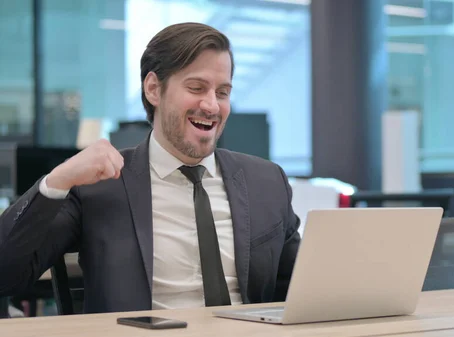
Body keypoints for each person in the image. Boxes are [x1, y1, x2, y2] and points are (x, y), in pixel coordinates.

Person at [0, 22, 301, 314]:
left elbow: (300, 292)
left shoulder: (266, 181)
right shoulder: (99, 184)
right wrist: (57, 181)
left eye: (222, 92)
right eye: (196, 87)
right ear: (154, 89)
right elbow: (7, 272)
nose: (211, 106)